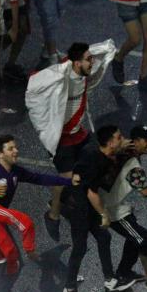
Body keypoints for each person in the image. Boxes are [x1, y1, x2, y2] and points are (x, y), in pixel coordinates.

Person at [27, 42, 116, 241]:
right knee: (68, 178)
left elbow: (95, 54)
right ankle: (53, 212)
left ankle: (78, 199)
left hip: (78, 133)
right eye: (88, 60)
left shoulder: (82, 75)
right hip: (62, 139)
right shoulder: (62, 77)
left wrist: (108, 52)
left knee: (99, 161)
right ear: (76, 63)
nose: (91, 62)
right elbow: (35, 84)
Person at [62, 125, 134, 292]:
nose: (122, 139)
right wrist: (104, 215)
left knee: (104, 237)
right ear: (110, 142)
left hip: (82, 202)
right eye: (119, 137)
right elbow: (92, 193)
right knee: (80, 247)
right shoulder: (97, 161)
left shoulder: (95, 151)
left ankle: (109, 279)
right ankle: (69, 290)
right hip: (77, 207)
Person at [102, 125, 147, 286]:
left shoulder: (124, 152)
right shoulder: (133, 164)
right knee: (143, 240)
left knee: (134, 236)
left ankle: (124, 272)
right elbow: (146, 192)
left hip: (113, 203)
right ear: (136, 141)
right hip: (110, 210)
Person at [0, 134, 75, 209]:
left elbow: (38, 178)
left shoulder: (15, 171)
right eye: (10, 149)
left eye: (15, 147)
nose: (16, 151)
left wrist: (69, 181)